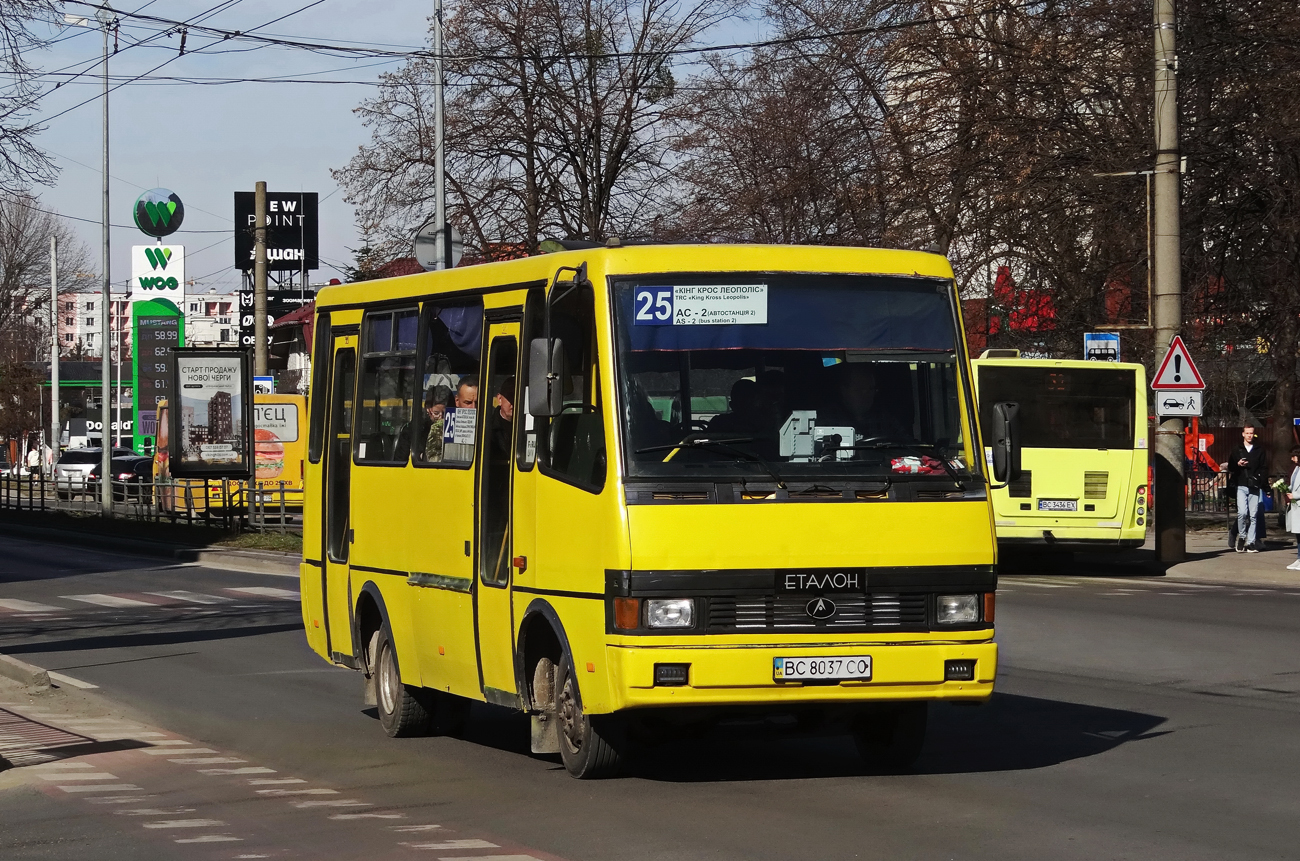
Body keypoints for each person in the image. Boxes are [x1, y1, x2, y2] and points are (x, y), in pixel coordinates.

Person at [1226, 425, 1267, 552]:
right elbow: (1231, 467)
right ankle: (1242, 536)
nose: (1249, 435)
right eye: (1247, 433)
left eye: (1251, 433)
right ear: (1243, 434)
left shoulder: (1259, 450)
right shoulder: (1237, 449)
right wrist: (1237, 464)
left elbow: (1264, 468)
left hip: (1254, 485)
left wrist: (1264, 484)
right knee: (1242, 513)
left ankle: (1251, 542)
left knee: (1253, 515)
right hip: (1241, 484)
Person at [1286, 447, 1300, 570]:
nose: (1292, 459)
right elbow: (1293, 484)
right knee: (1298, 533)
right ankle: (1299, 558)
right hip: (1296, 505)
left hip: (1298, 502)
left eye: (1294, 456)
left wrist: (1295, 495)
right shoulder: (1296, 468)